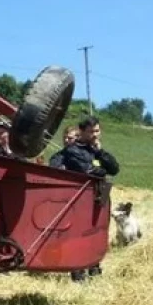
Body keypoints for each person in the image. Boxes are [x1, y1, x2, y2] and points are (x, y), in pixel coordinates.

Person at [53, 117, 120, 280]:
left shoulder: (97, 150)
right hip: (81, 198)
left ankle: (95, 267)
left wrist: (100, 152)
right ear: (82, 132)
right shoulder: (73, 150)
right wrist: (101, 170)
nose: (95, 135)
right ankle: (77, 271)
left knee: (97, 231)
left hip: (100, 195)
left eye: (97, 131)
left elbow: (114, 169)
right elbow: (88, 170)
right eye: (91, 132)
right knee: (79, 233)